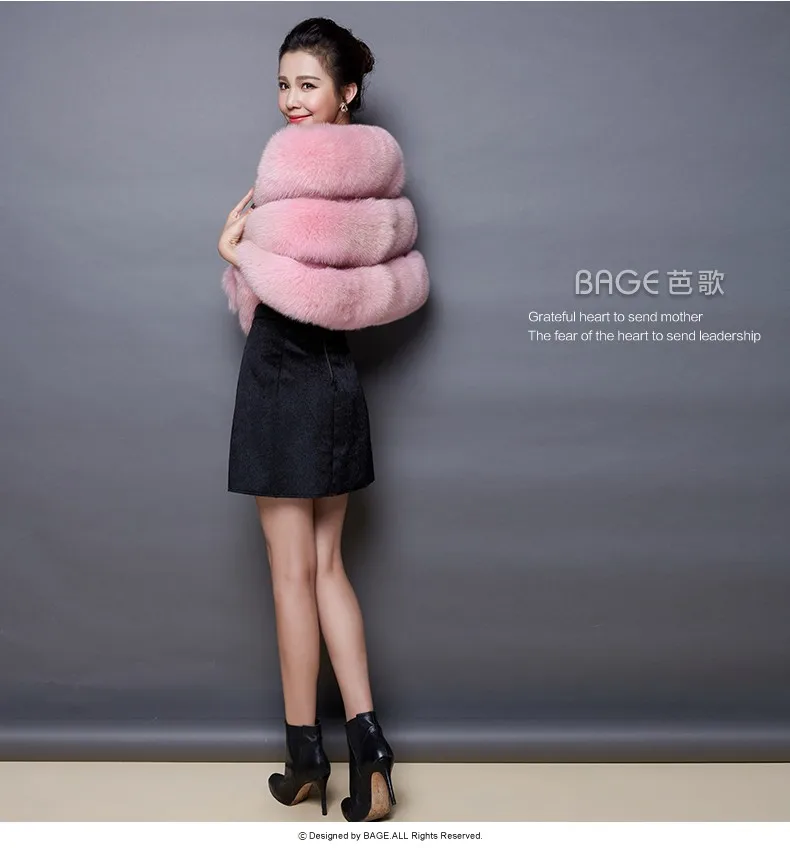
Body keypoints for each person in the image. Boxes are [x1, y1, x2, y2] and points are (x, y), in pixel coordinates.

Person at [217, 18, 402, 823]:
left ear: (347, 90)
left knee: (292, 574)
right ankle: (369, 749)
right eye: (284, 83)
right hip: (336, 380)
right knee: (327, 568)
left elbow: (290, 288)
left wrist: (237, 253)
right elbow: (356, 291)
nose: (292, 100)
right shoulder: (374, 185)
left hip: (283, 378)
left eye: (309, 84)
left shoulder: (295, 174)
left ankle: (305, 754)